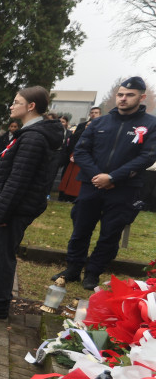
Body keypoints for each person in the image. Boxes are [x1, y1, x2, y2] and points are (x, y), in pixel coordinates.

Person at [51, 77, 156, 290]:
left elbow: (147, 156)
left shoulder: (151, 124)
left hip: (124, 189)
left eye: (129, 95)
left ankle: (93, 273)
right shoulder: (100, 122)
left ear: (141, 97)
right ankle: (73, 269)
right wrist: (98, 176)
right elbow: (81, 151)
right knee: (80, 229)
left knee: (110, 234)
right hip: (92, 185)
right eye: (120, 94)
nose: (123, 99)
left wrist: (114, 177)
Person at [0, 87, 63, 319]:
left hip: (15, 209)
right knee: (1, 254)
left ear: (31, 106)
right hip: (17, 207)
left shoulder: (33, 137)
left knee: (1, 256)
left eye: (16, 102)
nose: (11, 106)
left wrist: (2, 214)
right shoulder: (29, 133)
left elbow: (18, 180)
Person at [58, 106, 101, 202]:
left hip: (89, 159)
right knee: (69, 178)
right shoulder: (81, 128)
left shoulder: (102, 128)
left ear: (100, 114)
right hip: (74, 157)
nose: (94, 114)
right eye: (92, 112)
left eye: (96, 112)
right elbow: (73, 142)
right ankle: (65, 196)